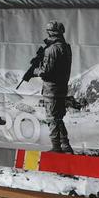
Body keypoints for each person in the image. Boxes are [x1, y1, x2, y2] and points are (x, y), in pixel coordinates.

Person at [34, 20, 73, 153]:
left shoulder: (51, 50)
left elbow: (46, 72)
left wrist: (37, 69)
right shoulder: (66, 47)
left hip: (52, 89)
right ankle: (66, 146)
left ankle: (56, 147)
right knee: (58, 118)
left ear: (50, 33)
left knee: (52, 119)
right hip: (62, 88)